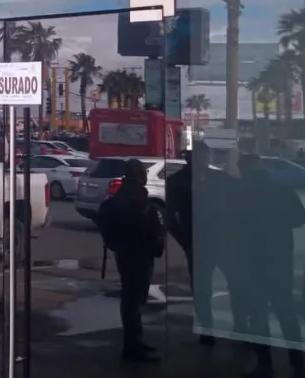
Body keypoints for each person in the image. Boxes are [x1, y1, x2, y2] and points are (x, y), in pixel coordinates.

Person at [235, 153, 305, 378]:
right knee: (286, 311)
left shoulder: (240, 191)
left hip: (252, 259)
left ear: (244, 169)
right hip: (280, 257)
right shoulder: (280, 188)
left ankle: (264, 365)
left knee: (258, 313)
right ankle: (298, 363)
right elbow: (300, 217)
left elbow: (230, 225)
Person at [166, 142, 242, 345]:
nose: (205, 160)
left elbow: (238, 202)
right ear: (191, 158)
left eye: (206, 156)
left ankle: (240, 327)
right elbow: (170, 218)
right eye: (202, 156)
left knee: (236, 283)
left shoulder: (219, 178)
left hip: (222, 241)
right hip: (199, 243)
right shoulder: (177, 181)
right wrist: (186, 241)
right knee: (202, 289)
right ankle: (207, 330)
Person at [98, 158, 165, 362]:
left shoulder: (125, 193)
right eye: (142, 173)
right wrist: (155, 243)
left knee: (132, 299)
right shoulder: (134, 195)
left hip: (128, 252)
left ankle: (135, 341)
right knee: (133, 300)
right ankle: (132, 345)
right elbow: (143, 225)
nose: (144, 176)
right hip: (137, 254)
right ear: (137, 175)